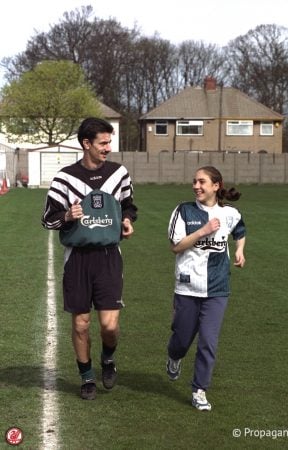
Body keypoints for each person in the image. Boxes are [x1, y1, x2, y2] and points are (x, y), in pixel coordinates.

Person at [42, 117, 137, 400]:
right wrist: (67, 216)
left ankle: (108, 358)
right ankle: (86, 377)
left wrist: (128, 221)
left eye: (110, 142)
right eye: (103, 142)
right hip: (78, 259)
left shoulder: (119, 174)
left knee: (109, 325)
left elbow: (130, 206)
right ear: (87, 144)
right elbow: (48, 219)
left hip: (108, 257)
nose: (109, 147)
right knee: (81, 323)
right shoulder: (64, 178)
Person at [166, 166, 246, 411]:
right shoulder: (183, 211)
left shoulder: (230, 213)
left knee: (208, 342)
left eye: (202, 182)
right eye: (194, 182)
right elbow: (176, 246)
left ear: (216, 185)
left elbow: (240, 230)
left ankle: (199, 390)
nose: (196, 186)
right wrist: (203, 231)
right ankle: (174, 357)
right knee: (181, 339)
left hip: (218, 288)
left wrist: (240, 250)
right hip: (188, 287)